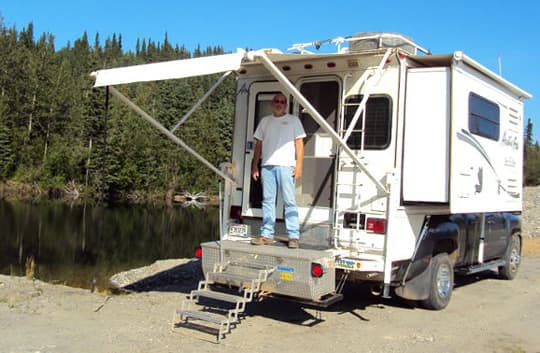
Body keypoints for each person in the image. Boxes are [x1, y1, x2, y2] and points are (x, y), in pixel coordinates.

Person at [250, 93, 306, 249]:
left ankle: (293, 236)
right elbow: (259, 145)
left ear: (286, 105)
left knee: (289, 201)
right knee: (268, 201)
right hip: (267, 166)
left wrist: (299, 165)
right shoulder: (265, 121)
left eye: (282, 102)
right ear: (272, 103)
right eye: (276, 101)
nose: (279, 104)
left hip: (286, 166)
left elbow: (299, 144)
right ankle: (266, 234)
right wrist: (255, 165)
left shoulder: (294, 121)